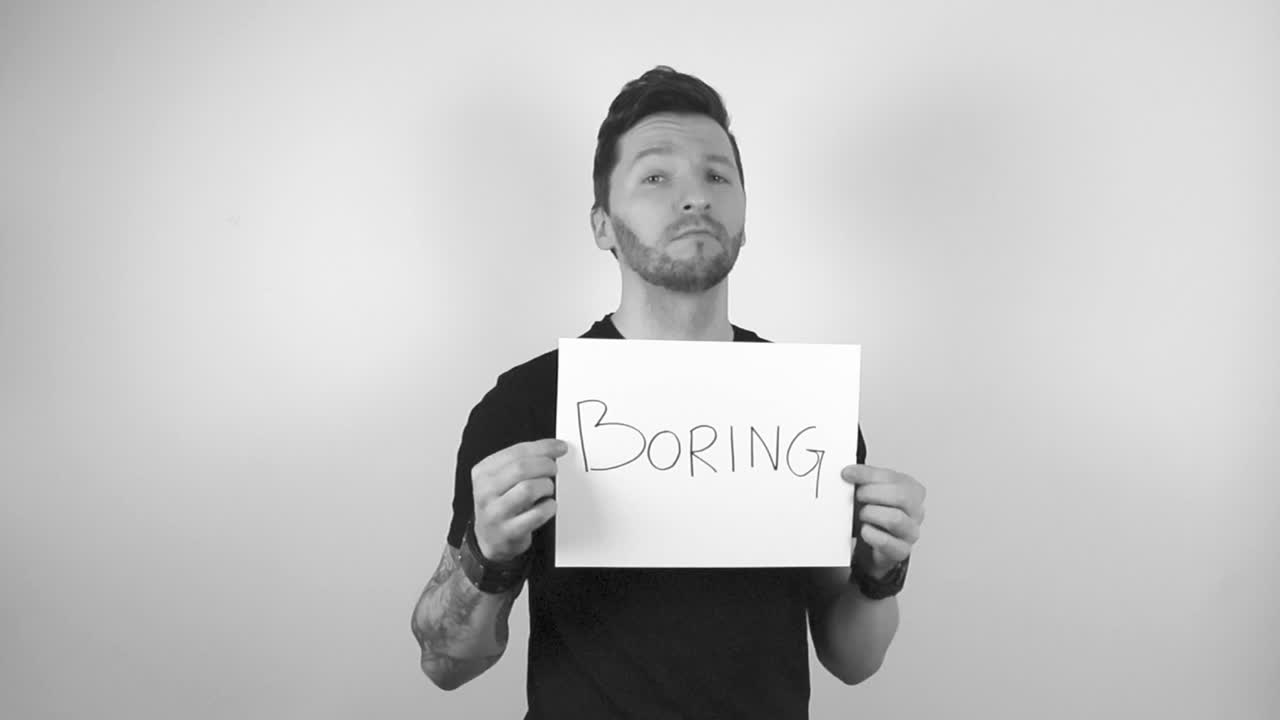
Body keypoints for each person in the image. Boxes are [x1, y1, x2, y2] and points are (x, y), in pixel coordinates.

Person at [411, 65, 927, 719]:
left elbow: (852, 659)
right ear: (602, 225)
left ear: (745, 214)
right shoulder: (529, 404)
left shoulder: (802, 403)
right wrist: (488, 553)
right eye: (657, 176)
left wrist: (882, 571)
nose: (696, 198)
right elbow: (443, 662)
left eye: (717, 175)